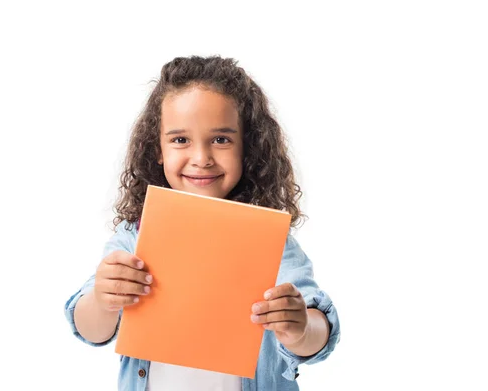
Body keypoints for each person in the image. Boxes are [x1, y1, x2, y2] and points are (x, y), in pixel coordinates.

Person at [64, 55, 340, 391]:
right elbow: (91, 329)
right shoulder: (134, 237)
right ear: (158, 150)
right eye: (180, 140)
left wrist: (299, 328)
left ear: (247, 149)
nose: (201, 158)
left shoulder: (272, 243)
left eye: (221, 139)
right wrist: (103, 300)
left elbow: (317, 334)